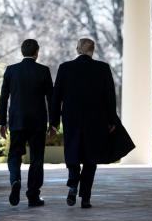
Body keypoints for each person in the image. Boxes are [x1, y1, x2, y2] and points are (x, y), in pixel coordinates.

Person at [50, 38, 118, 209]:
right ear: (93, 50)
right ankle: (85, 198)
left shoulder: (65, 68)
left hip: (71, 118)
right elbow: (110, 97)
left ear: (77, 49)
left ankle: (73, 183)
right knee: (91, 157)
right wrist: (111, 120)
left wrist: (54, 122)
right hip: (96, 119)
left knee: (72, 150)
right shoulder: (102, 68)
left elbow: (56, 97)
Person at [0, 39, 54, 207]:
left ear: (22, 52)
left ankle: (15, 179)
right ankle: (33, 196)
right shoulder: (43, 71)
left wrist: (2, 122)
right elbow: (51, 99)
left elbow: (3, 97)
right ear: (37, 52)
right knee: (37, 158)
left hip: (17, 121)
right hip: (37, 122)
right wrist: (53, 123)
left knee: (14, 154)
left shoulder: (11, 70)